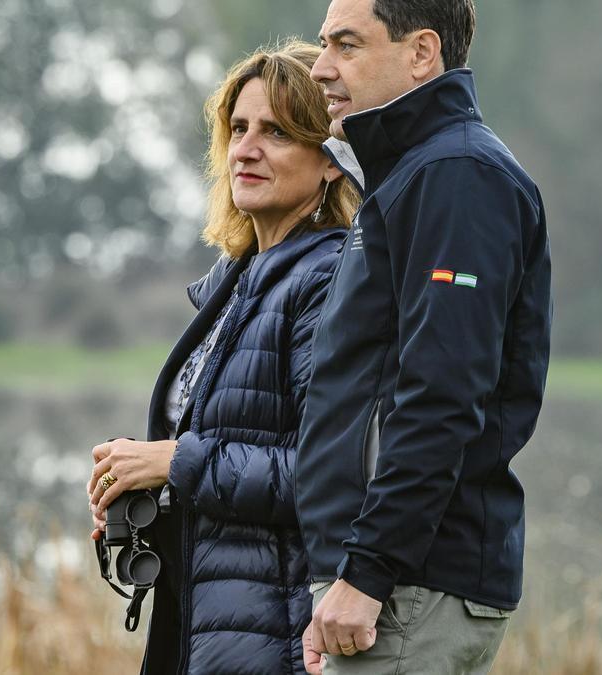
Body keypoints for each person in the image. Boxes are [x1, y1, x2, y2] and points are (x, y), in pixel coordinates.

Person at [294, 1, 553, 673]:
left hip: (408, 588)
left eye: (347, 45)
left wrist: (366, 573)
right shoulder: (410, 174)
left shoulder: (457, 177)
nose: (322, 68)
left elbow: (441, 393)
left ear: (421, 52)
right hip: (390, 584)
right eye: (324, 45)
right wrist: (334, 575)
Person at [86, 41, 359, 675]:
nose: (247, 149)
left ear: (330, 164)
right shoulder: (236, 283)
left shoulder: (327, 278)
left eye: (277, 132)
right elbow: (229, 442)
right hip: (205, 616)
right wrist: (136, 481)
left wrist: (172, 461)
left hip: (278, 628)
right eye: (238, 128)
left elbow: (325, 474)